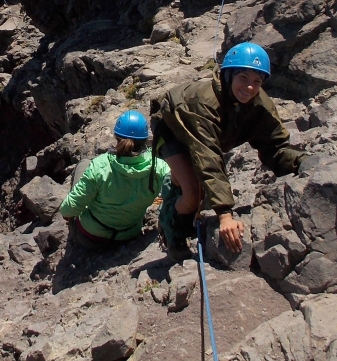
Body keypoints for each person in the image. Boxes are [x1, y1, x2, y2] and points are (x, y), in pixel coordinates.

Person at [149, 42, 306, 253]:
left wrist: (302, 162)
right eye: (243, 78)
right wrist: (225, 215)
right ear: (229, 75)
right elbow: (208, 157)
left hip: (204, 136)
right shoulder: (203, 103)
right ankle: (171, 230)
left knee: (195, 183)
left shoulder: (260, 106)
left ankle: (175, 182)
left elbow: (275, 148)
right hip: (172, 130)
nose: (250, 87)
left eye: (257, 81)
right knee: (195, 195)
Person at [59, 110, 171, 249]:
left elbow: (67, 210)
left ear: (116, 137)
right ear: (145, 139)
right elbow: (171, 194)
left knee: (84, 164)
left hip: (91, 237)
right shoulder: (160, 167)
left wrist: (69, 215)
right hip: (129, 234)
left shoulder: (100, 165)